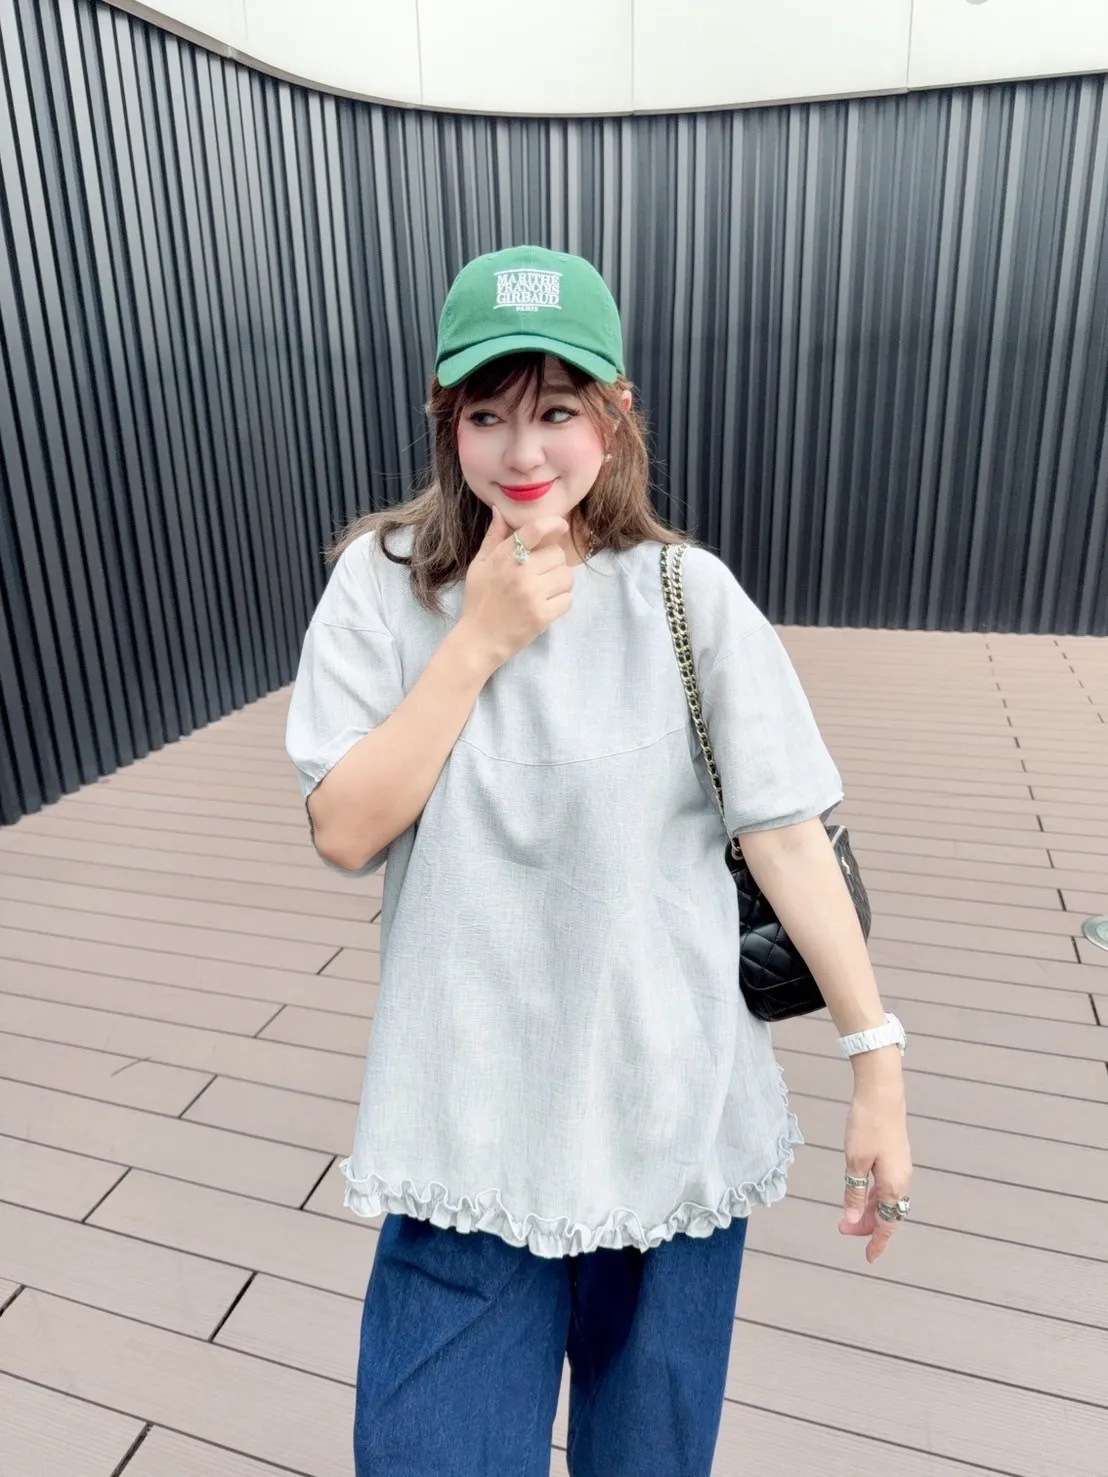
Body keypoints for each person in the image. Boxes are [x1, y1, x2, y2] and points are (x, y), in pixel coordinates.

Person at [285, 245, 913, 1477]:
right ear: (446, 420)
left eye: (558, 411)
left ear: (614, 415)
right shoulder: (381, 585)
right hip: (466, 1122)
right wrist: (477, 640)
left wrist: (874, 1065)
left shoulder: (686, 596)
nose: (523, 452)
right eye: (487, 415)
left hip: (666, 1111)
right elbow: (346, 829)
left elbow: (786, 836)